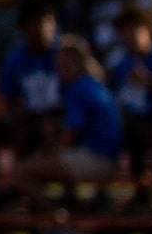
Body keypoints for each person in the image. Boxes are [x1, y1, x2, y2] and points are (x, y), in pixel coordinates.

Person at [13, 35, 122, 184]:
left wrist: (48, 150)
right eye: (58, 65)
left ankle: (50, 207)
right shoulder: (92, 82)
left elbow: (68, 137)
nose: (59, 70)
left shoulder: (79, 88)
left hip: (98, 159)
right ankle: (66, 200)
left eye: (64, 65)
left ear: (77, 64)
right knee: (39, 158)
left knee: (22, 169)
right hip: (107, 157)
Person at [0, 1, 63, 174]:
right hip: (29, 117)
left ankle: (18, 184)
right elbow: (10, 97)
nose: (40, 28)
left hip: (62, 119)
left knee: (32, 134)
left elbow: (80, 94)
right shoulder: (16, 59)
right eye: (34, 23)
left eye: (45, 22)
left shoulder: (63, 55)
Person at [102, 4, 152, 177]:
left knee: (138, 131)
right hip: (124, 119)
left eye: (135, 31)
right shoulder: (119, 61)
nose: (131, 37)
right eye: (126, 32)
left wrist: (150, 82)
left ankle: (151, 187)